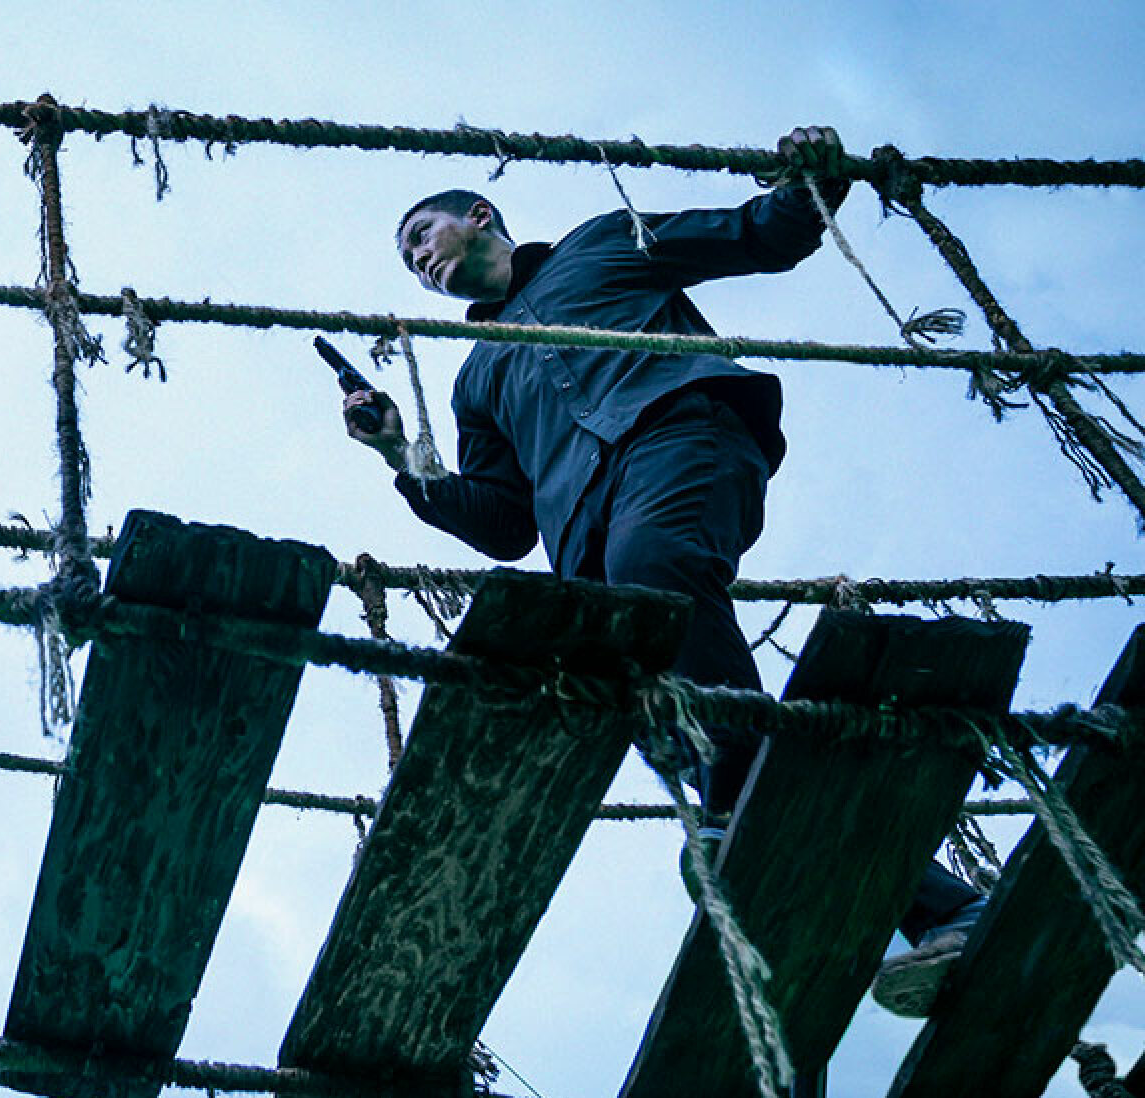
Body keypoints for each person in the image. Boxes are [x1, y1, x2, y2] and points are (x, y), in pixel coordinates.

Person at [346, 125, 982, 1017]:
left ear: (479, 217)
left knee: (658, 577)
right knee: (692, 717)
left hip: (682, 438)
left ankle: (727, 804)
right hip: (588, 546)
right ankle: (943, 911)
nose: (418, 264)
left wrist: (810, 180)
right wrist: (398, 460)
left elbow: (758, 234)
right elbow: (502, 526)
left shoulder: (604, 243)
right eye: (408, 263)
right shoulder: (475, 380)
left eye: (422, 238)